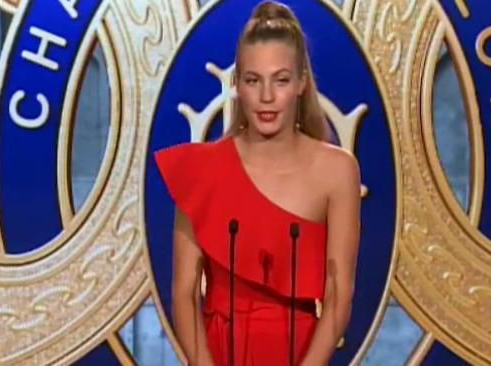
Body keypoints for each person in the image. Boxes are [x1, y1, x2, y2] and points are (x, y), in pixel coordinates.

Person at [154, 1, 360, 365]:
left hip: (300, 351)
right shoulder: (201, 172)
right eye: (253, 80)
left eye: (280, 80)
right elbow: (184, 293)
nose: (267, 97)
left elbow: (338, 291)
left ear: (301, 83)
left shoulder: (337, 171)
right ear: (237, 85)